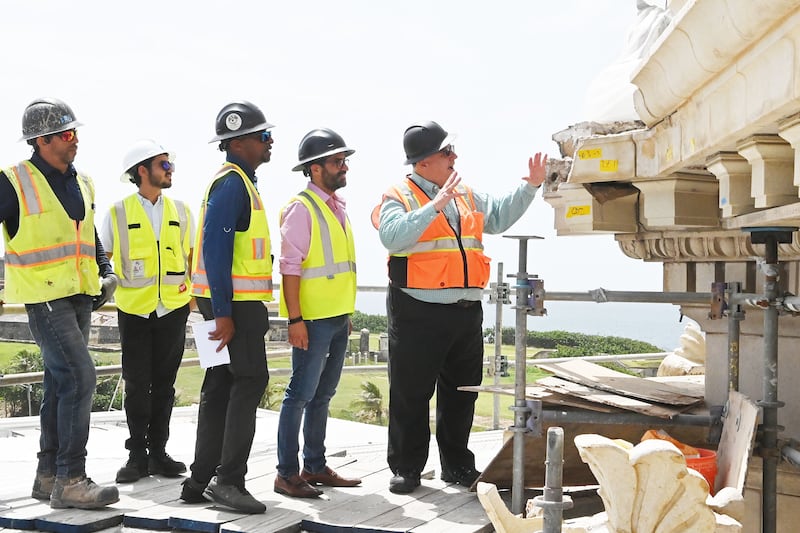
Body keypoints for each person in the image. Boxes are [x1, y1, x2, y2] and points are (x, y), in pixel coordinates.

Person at [375, 120, 547, 494]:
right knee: (411, 392)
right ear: (422, 163)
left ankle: (456, 466)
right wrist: (435, 207)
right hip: (417, 309)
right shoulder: (399, 195)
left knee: (462, 391)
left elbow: (499, 216)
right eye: (446, 152)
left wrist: (530, 185)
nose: (454, 157)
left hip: (466, 311)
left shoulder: (465, 192)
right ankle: (407, 468)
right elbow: (392, 236)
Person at [0, 98, 120, 508]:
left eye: (76, 133)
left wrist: (106, 270)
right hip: (44, 297)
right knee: (82, 377)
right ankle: (71, 478)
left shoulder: (82, 181)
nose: (76, 141)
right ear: (42, 140)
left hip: (81, 295)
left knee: (59, 383)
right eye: (68, 135)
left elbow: (89, 236)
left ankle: (47, 475)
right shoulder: (11, 181)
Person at [179, 101, 275, 514]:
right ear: (238, 143)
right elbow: (216, 251)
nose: (270, 142)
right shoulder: (234, 184)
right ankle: (229, 480)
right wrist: (223, 314)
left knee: (219, 387)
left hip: (225, 303)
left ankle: (200, 478)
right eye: (263, 136)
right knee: (249, 381)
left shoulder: (238, 183)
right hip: (234, 305)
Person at [99, 139, 194, 483]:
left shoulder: (182, 211)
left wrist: (194, 302)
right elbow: (102, 258)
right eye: (164, 165)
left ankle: (159, 453)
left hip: (173, 309)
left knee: (165, 386)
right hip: (134, 311)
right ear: (143, 171)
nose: (171, 171)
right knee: (138, 385)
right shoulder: (117, 212)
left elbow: (193, 259)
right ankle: (136, 455)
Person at [274, 129, 361, 498]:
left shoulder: (336, 207)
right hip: (311, 320)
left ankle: (313, 466)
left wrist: (344, 312)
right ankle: (286, 473)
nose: (344, 168)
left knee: (323, 395)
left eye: (344, 161)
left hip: (337, 317)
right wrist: (295, 321)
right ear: (314, 168)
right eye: (337, 162)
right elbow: (290, 269)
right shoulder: (301, 208)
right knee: (300, 395)